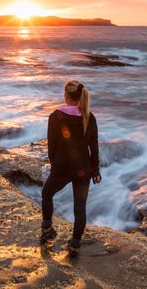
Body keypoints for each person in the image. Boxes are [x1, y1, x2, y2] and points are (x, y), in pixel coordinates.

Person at [40, 80, 101, 258]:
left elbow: (52, 146)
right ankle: (74, 244)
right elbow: (94, 147)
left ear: (66, 96)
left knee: (46, 194)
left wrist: (55, 164)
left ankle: (47, 229)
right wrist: (95, 170)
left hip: (62, 167)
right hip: (84, 169)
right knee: (80, 208)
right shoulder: (89, 117)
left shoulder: (55, 116)